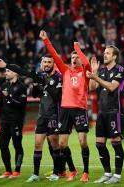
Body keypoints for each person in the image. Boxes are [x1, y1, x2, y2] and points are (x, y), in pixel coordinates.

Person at [39, 30, 91, 182]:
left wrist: (78, 48)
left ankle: (86, 172)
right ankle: (73, 169)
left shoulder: (85, 72)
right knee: (62, 144)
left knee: (82, 142)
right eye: (72, 57)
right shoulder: (65, 70)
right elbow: (54, 55)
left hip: (79, 109)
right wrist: (46, 40)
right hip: (65, 110)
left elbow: (87, 63)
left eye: (76, 57)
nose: (74, 59)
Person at [87, 46, 124, 184]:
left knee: (116, 143)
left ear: (115, 56)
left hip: (114, 112)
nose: (105, 55)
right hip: (102, 113)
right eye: (104, 53)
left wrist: (96, 77)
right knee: (99, 144)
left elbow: (112, 87)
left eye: (108, 53)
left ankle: (117, 175)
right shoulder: (102, 71)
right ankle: (107, 173)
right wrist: (95, 72)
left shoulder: (120, 70)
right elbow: (92, 88)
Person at [0, 64, 27, 179]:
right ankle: (7, 171)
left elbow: (22, 104)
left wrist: (9, 97)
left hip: (16, 120)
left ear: (15, 73)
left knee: (17, 145)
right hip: (4, 120)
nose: (5, 73)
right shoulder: (4, 85)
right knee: (2, 145)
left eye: (8, 71)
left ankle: (17, 171)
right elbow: (1, 103)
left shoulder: (22, 87)